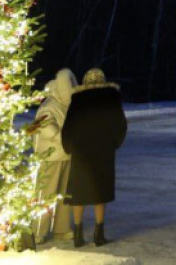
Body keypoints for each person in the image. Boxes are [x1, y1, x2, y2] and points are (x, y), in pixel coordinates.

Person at [61, 67, 127, 247]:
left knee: (78, 193)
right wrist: (114, 143)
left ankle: (78, 234)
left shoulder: (78, 99)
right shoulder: (111, 98)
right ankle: (99, 234)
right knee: (100, 191)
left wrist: (68, 147)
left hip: (81, 151)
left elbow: (68, 127)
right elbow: (121, 124)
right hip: (103, 151)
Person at [32, 68, 77, 243]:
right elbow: (44, 126)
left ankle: (62, 228)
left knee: (64, 194)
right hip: (51, 157)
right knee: (46, 192)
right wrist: (63, 138)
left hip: (66, 155)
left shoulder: (65, 106)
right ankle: (38, 230)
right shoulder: (50, 105)